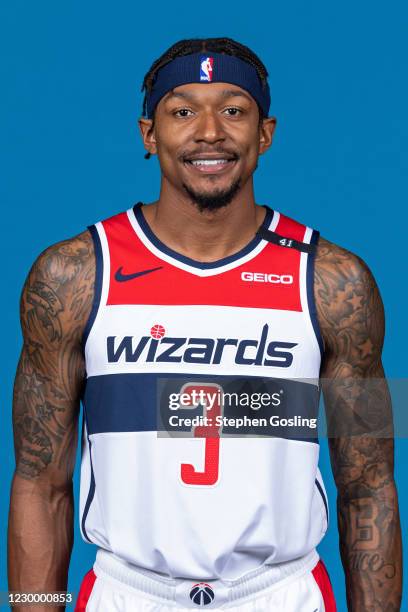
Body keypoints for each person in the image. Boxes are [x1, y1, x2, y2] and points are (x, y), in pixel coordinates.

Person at [8, 37, 402, 611]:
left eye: (234, 110)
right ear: (149, 134)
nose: (210, 131)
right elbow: (40, 485)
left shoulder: (334, 282)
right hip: (130, 592)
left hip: (279, 593)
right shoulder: (74, 275)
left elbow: (369, 490)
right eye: (184, 110)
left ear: (265, 133)